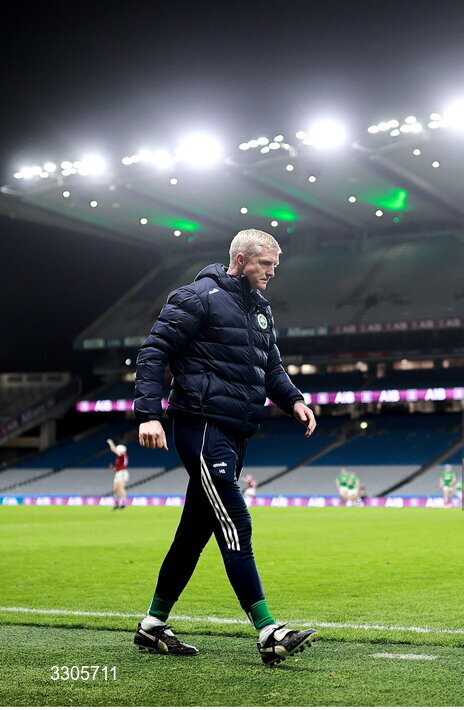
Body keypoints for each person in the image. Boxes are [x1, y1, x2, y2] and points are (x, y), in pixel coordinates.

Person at [133, 229, 318, 665]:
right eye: (265, 265)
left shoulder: (259, 308)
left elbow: (269, 365)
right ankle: (268, 630)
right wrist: (149, 413)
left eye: (275, 265)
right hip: (200, 425)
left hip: (236, 430)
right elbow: (153, 353)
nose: (272, 273)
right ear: (240, 259)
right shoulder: (198, 296)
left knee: (193, 534)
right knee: (235, 520)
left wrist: (293, 399)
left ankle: (152, 624)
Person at [107, 438, 129, 510]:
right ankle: (116, 504)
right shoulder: (120, 457)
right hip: (119, 472)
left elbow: (113, 450)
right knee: (115, 489)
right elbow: (118, 468)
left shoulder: (122, 455)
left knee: (120, 488)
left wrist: (111, 443)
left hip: (122, 473)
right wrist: (113, 469)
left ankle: (124, 503)